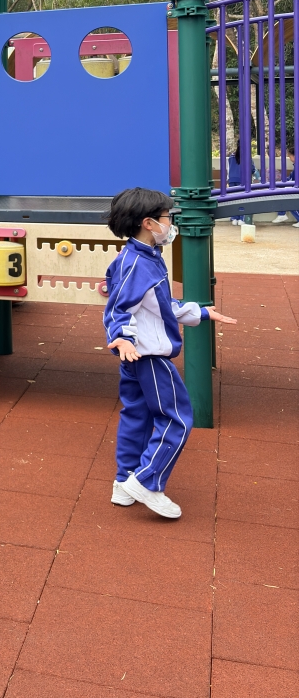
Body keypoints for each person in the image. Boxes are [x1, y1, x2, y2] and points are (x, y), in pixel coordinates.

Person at [104, 187, 237, 519]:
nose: (171, 224)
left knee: (137, 416)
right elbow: (118, 307)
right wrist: (121, 337)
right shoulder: (138, 263)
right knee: (178, 417)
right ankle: (148, 481)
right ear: (149, 223)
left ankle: (124, 482)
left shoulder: (143, 257)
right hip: (147, 355)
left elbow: (158, 305)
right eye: (167, 217)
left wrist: (199, 312)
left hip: (137, 354)